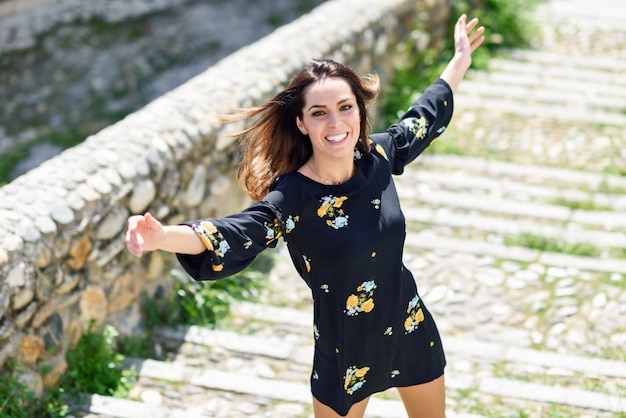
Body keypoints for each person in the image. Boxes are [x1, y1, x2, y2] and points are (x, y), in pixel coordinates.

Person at [126, 13, 484, 418]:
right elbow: (232, 233)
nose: (336, 122)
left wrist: (459, 61)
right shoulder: (292, 197)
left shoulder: (378, 157)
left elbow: (423, 118)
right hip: (343, 346)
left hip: (408, 323)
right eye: (319, 113)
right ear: (301, 123)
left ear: (360, 113)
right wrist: (161, 237)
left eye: (345, 107)